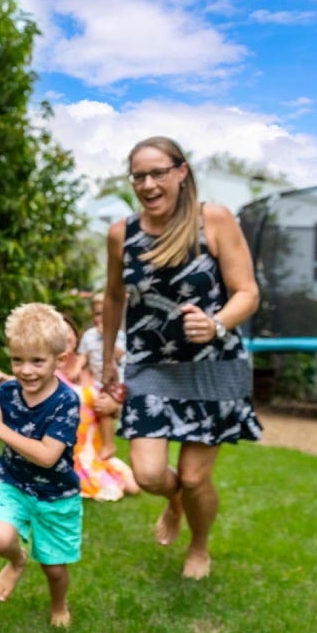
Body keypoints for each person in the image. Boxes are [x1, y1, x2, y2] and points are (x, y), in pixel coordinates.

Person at [100, 136, 262, 580]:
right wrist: (107, 358)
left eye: (158, 173)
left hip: (214, 366)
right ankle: (173, 503)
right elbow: (114, 297)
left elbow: (247, 292)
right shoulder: (122, 235)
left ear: (181, 172)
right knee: (149, 474)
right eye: (139, 176)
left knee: (193, 477)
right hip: (151, 365)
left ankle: (200, 545)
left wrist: (217, 323)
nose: (148, 184)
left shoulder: (214, 220)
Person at [0, 303, 83, 628]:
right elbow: (22, 385)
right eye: (17, 360)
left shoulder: (67, 402)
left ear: (59, 360)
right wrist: (1, 379)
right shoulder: (10, 390)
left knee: (54, 568)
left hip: (56, 493)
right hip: (14, 482)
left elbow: (49, 456)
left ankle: (59, 605)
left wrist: (0, 429)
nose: (26, 371)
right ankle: (16, 561)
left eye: (37, 361)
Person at [0, 312, 138, 502]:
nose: (66, 336)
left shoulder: (91, 365)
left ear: (76, 336)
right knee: (98, 488)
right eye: (61, 332)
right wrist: (3, 378)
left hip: (94, 444)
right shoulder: (50, 369)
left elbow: (113, 390)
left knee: (133, 485)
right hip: (66, 444)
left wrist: (114, 406)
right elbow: (29, 380)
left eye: (68, 332)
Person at [76, 291, 126, 460]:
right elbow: (83, 355)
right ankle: (98, 443)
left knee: (104, 405)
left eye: (106, 314)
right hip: (97, 380)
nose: (102, 318)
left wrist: (107, 338)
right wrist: (77, 368)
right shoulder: (89, 336)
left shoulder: (119, 335)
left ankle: (108, 444)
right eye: (98, 314)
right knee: (98, 403)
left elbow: (119, 355)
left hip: (117, 382)